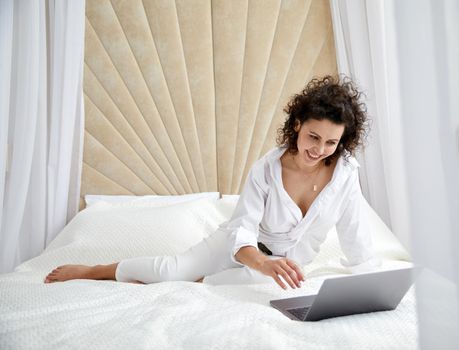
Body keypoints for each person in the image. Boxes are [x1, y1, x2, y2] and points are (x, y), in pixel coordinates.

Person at [44, 75, 374, 290]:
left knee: (221, 286)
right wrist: (263, 263)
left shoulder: (346, 175)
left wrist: (371, 280)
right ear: (298, 125)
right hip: (241, 249)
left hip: (280, 271)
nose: (319, 150)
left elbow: (354, 234)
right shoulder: (266, 169)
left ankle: (204, 281)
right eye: (313, 136)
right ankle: (93, 271)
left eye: (331, 143)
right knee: (170, 271)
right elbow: (243, 228)